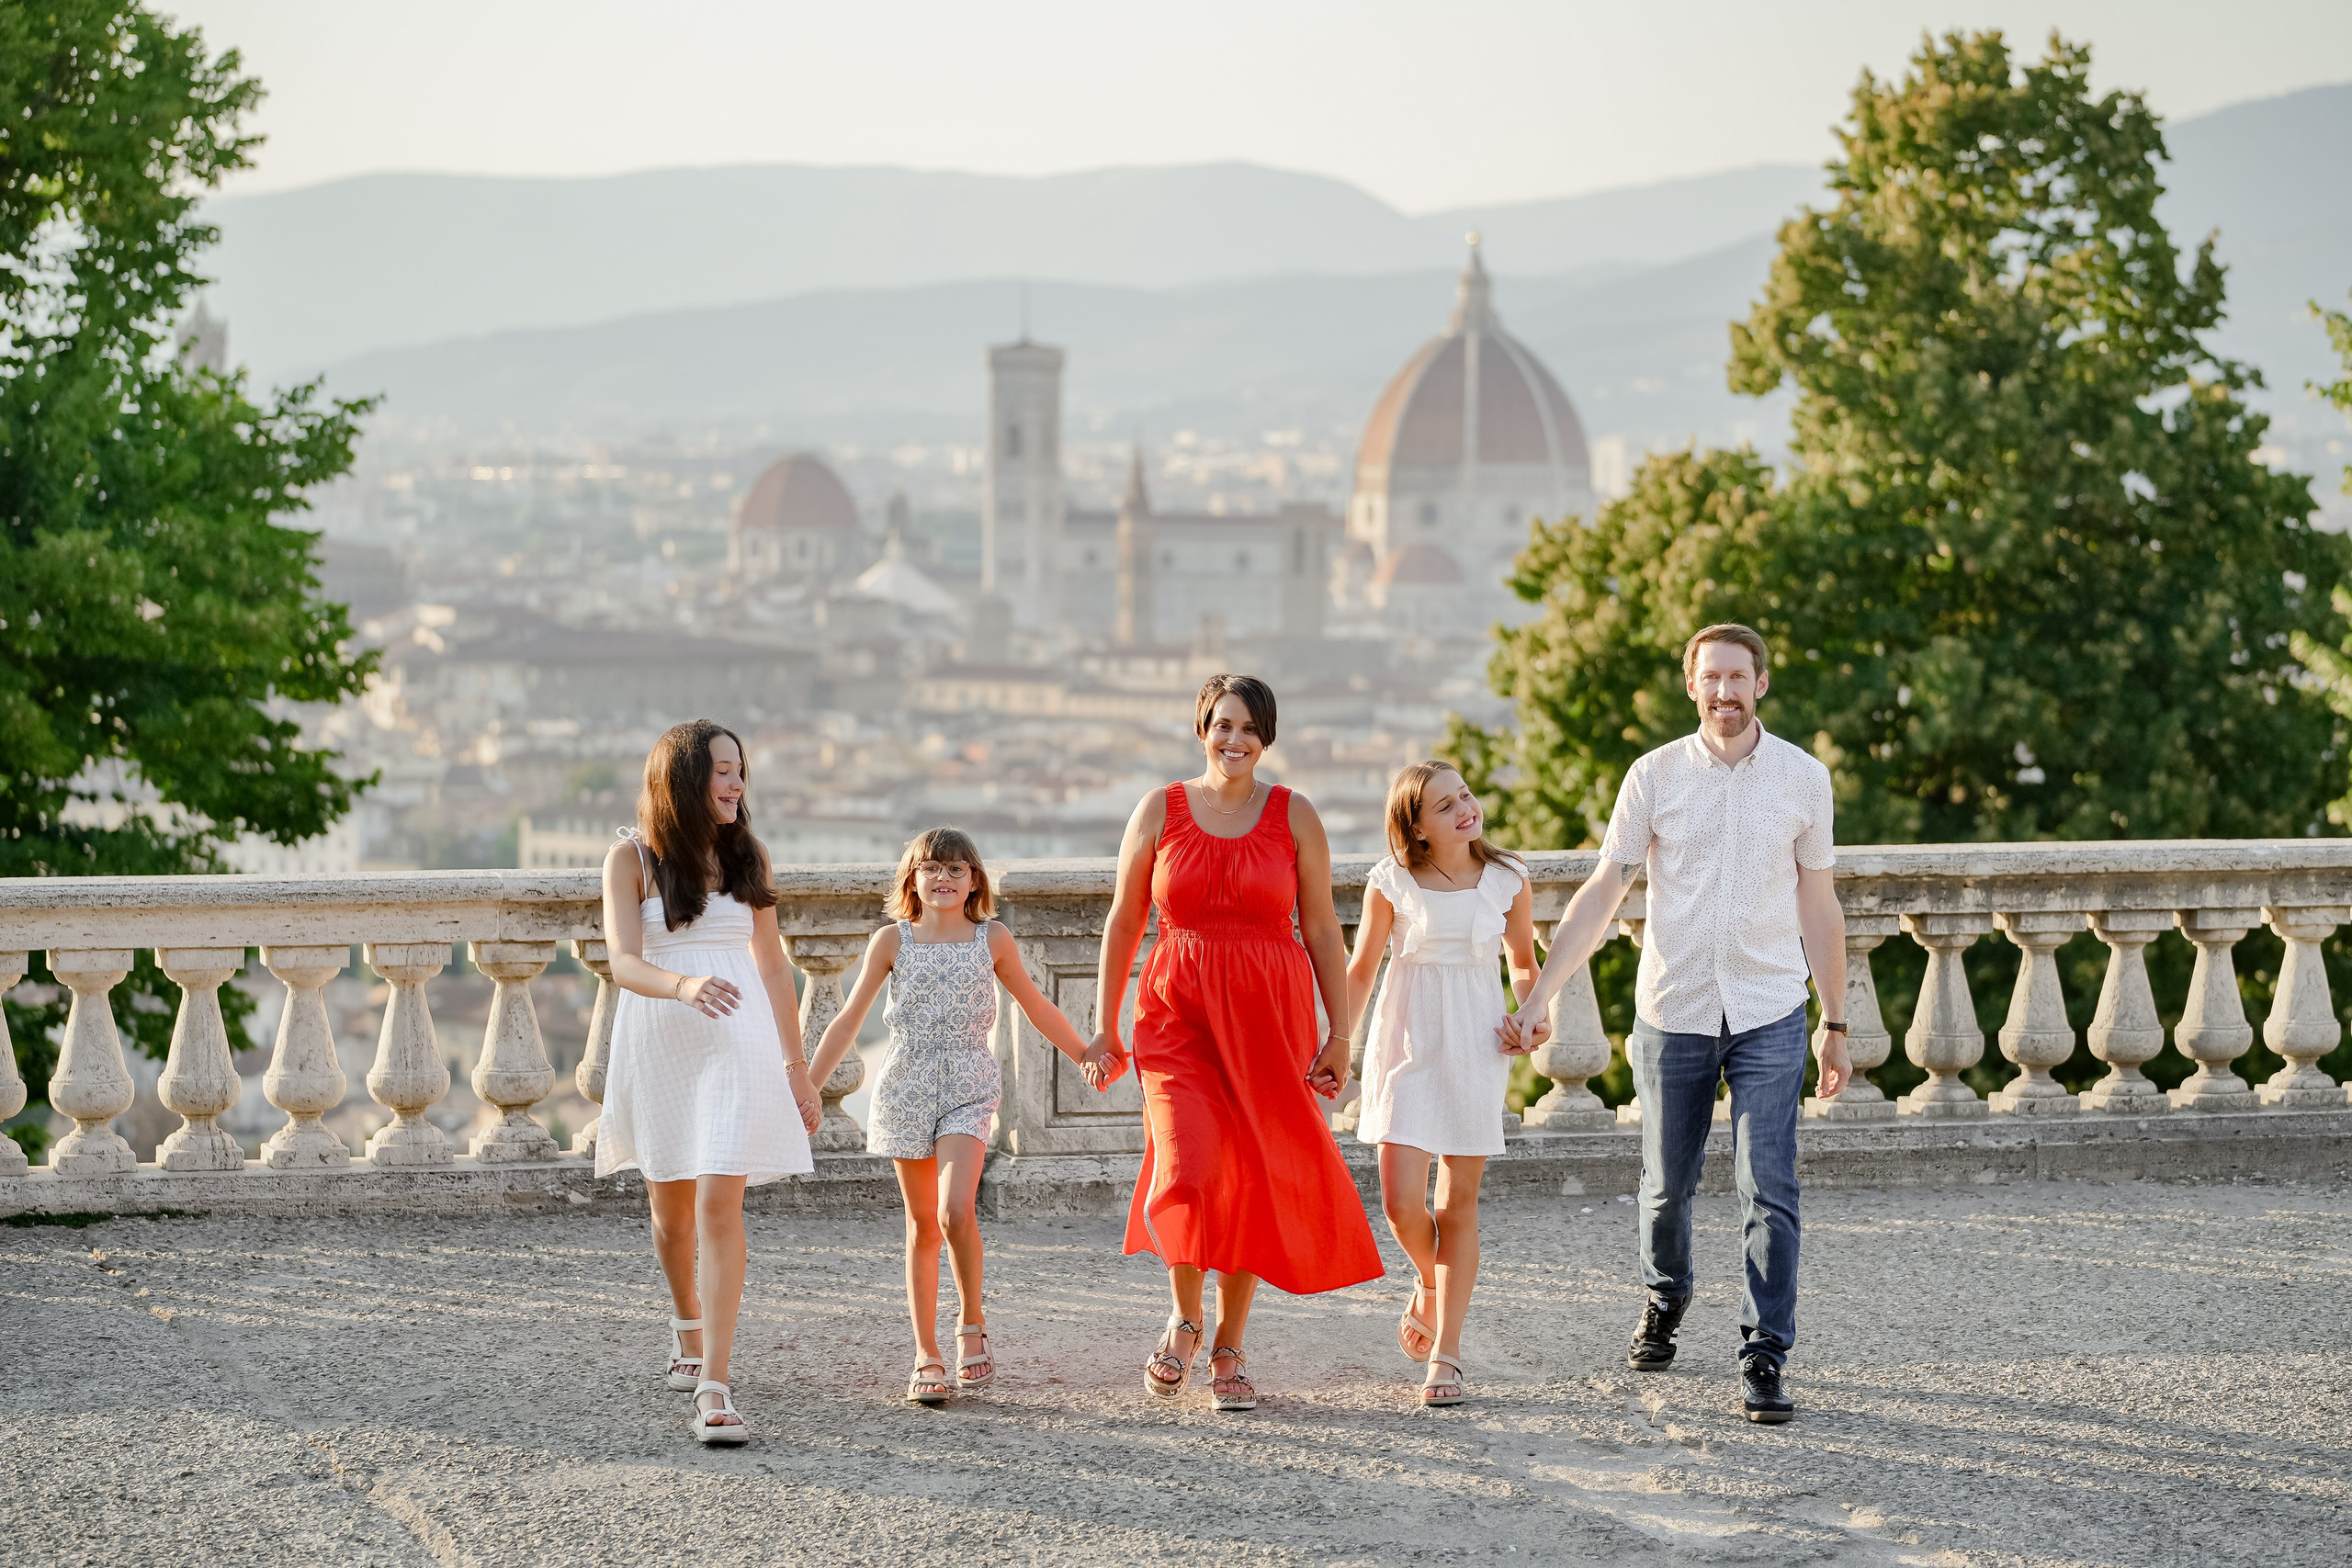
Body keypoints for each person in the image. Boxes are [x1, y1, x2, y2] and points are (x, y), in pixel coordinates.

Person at [1504, 624, 1849, 1424]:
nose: (1724, 693)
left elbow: (1820, 904)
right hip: (1675, 1009)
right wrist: (1542, 992)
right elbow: (1604, 887)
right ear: (1690, 685)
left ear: (1761, 682)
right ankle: (1666, 1296)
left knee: (1770, 1187)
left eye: (1738, 677)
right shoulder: (1653, 775)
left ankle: (1765, 1351)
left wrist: (1836, 1020)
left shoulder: (1804, 778)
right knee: (1666, 1188)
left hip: (1768, 1007)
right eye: (1710, 679)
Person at [1091, 673, 1384, 1412]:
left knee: (1251, 1174)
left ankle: (1228, 1343)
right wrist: (1104, 1021)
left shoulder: (1295, 816)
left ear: (1268, 736)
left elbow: (1322, 928)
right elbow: (1125, 919)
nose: (1235, 739)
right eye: (1223, 724)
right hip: (1176, 1012)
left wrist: (1340, 1032)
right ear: (1202, 728)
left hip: (1268, 1015)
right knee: (1186, 1165)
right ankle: (1184, 1317)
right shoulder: (1160, 808)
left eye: (1250, 728)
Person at [807, 827, 1123, 1404]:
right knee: (922, 1224)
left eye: (956, 869)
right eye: (931, 868)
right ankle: (927, 1353)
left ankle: (971, 1321)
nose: (943, 877)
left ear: (974, 880)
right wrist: (807, 1085)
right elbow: (849, 1019)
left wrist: (1084, 1054)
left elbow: (1035, 1003)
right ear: (913, 880)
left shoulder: (992, 939)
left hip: (968, 1086)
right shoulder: (891, 942)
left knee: (956, 1211)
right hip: (905, 1086)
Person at [597, 718, 823, 1446]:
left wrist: (798, 1069)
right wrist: (684, 983)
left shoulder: (746, 854)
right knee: (672, 1216)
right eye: (722, 770)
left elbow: (773, 966)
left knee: (722, 1205)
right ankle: (686, 1319)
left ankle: (716, 1385)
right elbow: (623, 962)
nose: (736, 784)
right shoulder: (629, 858)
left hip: (739, 1042)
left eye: (740, 771)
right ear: (684, 779)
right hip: (662, 1039)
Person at [1343, 761, 1548, 1406]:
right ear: (1417, 827)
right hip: (1406, 1041)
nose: (1466, 808)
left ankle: (1447, 1353)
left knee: (1457, 1205)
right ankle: (1430, 1284)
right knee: (1402, 1201)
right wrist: (1334, 1047)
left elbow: (1522, 962)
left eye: (1465, 795)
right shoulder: (1393, 881)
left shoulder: (1508, 879)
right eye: (1444, 804)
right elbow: (1359, 971)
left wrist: (1531, 1014)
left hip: (1474, 1042)